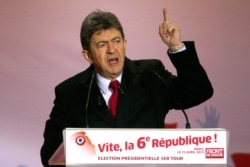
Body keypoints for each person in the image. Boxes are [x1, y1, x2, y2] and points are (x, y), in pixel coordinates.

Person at [40, 8, 213, 166]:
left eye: (116, 41)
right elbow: (50, 155)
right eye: (102, 45)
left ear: (125, 43)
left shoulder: (151, 75)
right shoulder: (70, 92)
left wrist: (177, 48)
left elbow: (198, 92)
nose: (111, 50)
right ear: (88, 55)